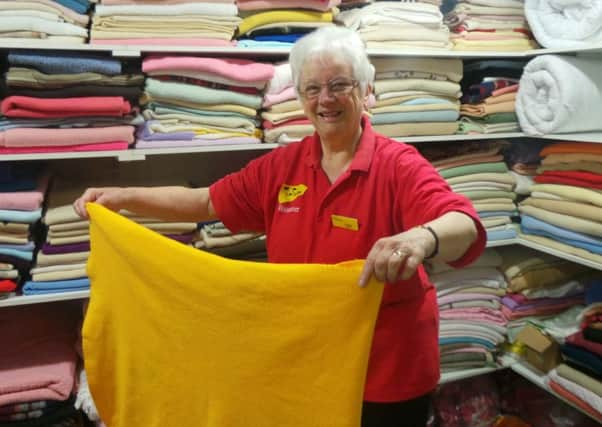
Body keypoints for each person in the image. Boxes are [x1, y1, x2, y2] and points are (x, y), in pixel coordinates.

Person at [74, 26, 486, 427]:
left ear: (364, 90)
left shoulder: (397, 164)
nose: (326, 99)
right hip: (304, 358)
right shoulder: (283, 167)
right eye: (312, 88)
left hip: (385, 368)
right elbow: (204, 202)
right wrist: (121, 197)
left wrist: (422, 236)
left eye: (339, 84)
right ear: (301, 98)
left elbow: (463, 223)